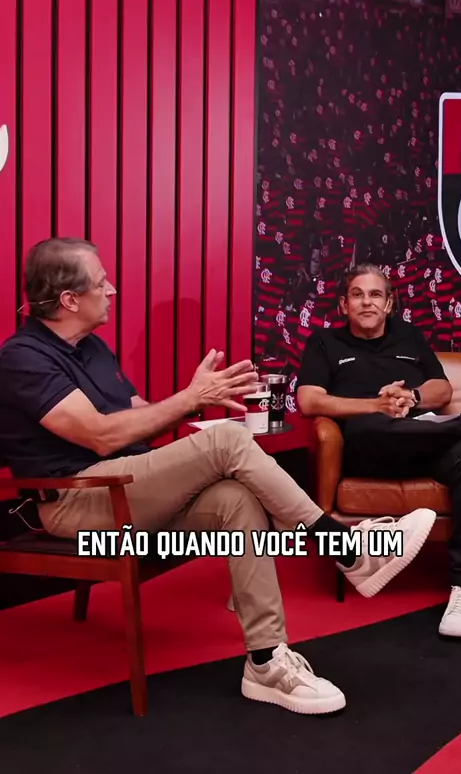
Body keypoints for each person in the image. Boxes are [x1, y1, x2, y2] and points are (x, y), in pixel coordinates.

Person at [0, 239, 436, 716]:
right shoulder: (23, 358)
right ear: (69, 299)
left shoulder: (92, 349)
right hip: (77, 500)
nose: (112, 290)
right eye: (101, 282)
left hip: (128, 485)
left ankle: (266, 660)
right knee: (227, 441)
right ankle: (346, 548)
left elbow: (138, 416)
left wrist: (193, 399)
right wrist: (190, 400)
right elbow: (101, 436)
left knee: (234, 497)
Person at [297, 261, 461, 639]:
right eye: (357, 294)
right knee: (371, 426)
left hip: (424, 438)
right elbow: (309, 400)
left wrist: (412, 397)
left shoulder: (409, 336)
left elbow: (442, 389)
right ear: (344, 304)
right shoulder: (325, 342)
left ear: (389, 303)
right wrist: (375, 405)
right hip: (370, 444)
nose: (367, 302)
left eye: (375, 294)